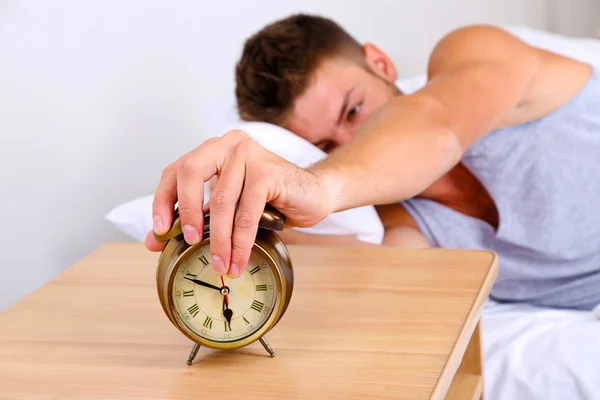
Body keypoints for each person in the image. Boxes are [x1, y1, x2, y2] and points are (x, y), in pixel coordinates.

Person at [146, 14, 600, 310]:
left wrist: (317, 184)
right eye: (324, 144)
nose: (351, 139)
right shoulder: (399, 222)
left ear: (380, 63)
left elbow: (435, 124)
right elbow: (380, 284)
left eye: (353, 110)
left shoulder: (472, 52)